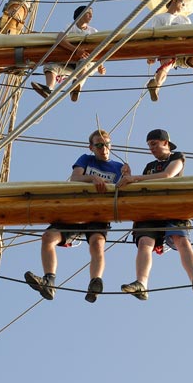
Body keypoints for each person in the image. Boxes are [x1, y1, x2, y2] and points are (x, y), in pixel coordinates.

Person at [24, 129, 128, 303]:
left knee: (97, 244)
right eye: (99, 145)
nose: (104, 148)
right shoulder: (86, 160)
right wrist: (93, 178)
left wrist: (128, 175)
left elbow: (124, 189)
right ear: (91, 147)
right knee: (48, 237)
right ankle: (49, 281)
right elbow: (75, 178)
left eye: (107, 144)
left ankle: (95, 283)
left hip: (98, 214)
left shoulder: (119, 167)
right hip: (76, 210)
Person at [116, 129, 193, 300]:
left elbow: (167, 175)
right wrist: (128, 176)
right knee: (145, 242)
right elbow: (140, 187)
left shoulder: (177, 157)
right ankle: (141, 284)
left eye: (154, 144)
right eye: (149, 146)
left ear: (165, 142)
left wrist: (134, 178)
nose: (151, 149)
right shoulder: (149, 167)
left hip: (173, 207)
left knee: (180, 239)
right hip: (150, 210)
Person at [146, 0, 193, 102]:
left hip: (184, 49)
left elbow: (190, 37)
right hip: (168, 47)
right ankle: (156, 86)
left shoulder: (185, 19)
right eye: (183, 3)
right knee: (166, 65)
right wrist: (152, 55)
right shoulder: (159, 18)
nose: (184, 6)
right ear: (174, 0)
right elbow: (155, 37)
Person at [30, 5, 105, 102]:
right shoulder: (71, 27)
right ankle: (48, 89)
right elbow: (60, 38)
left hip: (85, 62)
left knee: (84, 61)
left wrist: (100, 66)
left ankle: (76, 86)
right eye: (88, 13)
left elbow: (99, 48)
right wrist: (76, 50)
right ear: (81, 14)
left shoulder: (93, 31)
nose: (91, 16)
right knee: (51, 65)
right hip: (70, 61)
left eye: (91, 14)